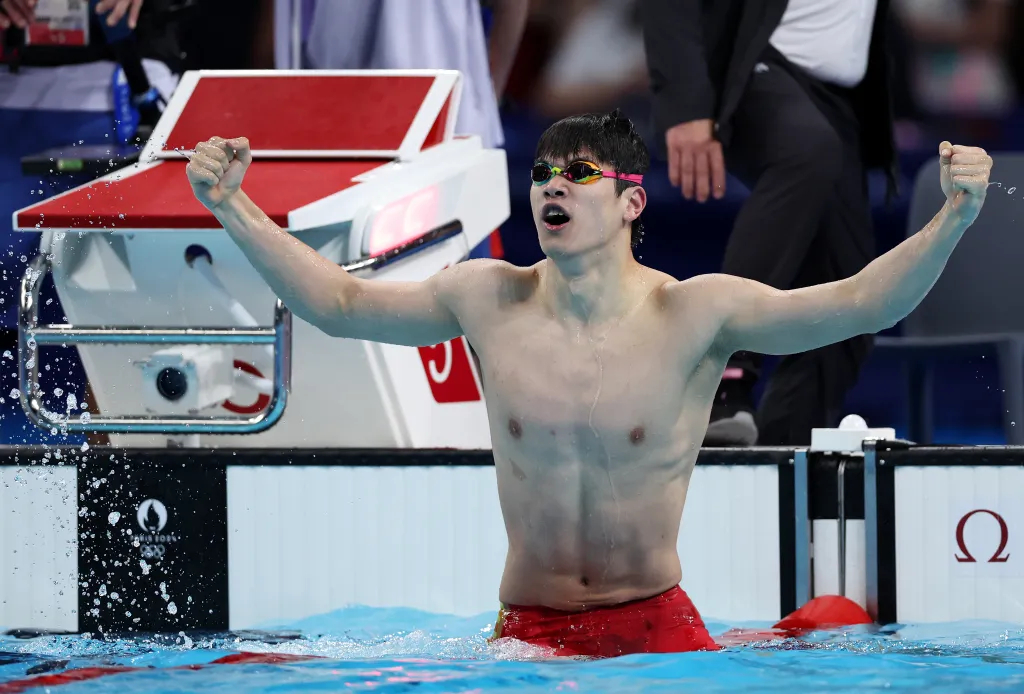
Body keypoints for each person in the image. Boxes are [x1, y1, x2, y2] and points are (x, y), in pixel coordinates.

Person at [184, 111, 991, 658]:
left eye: (577, 172)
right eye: (541, 173)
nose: (551, 186)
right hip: (525, 635)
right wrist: (232, 207)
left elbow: (859, 303)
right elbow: (341, 303)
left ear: (632, 200)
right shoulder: (486, 297)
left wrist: (952, 215)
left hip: (657, 633)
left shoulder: (696, 312)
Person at [641, 1, 898, 447]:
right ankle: (718, 372)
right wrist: (684, 100)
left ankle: (779, 461)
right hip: (754, 62)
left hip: (837, 98)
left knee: (848, 314)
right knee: (806, 151)